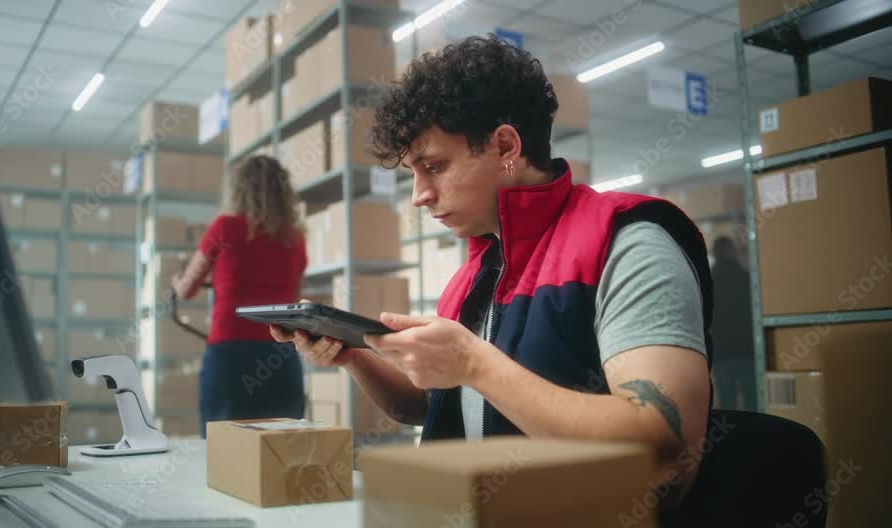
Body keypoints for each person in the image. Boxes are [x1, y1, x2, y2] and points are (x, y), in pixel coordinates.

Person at [271, 36, 713, 510]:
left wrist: (473, 362)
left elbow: (662, 442)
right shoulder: (478, 270)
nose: (419, 195)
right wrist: (355, 356)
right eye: (412, 174)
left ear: (505, 146)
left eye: (434, 167)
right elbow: (431, 405)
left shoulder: (629, 243)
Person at [174, 155, 307, 437]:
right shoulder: (295, 239)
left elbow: (186, 289)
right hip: (280, 354)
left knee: (223, 448)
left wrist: (176, 281)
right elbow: (295, 300)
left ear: (238, 189)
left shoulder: (224, 227)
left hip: (230, 355)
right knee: (282, 447)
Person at [709, 236, 755, 410]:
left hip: (722, 352)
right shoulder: (746, 278)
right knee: (752, 399)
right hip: (746, 349)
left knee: (727, 402)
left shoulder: (708, 281)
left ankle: (733, 436)